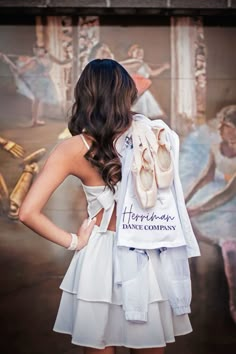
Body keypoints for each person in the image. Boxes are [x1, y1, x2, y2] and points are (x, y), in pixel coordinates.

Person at [19, 59, 198, 353]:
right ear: (126, 94)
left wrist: (75, 241)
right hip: (145, 251)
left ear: (84, 95)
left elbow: (27, 212)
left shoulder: (71, 148)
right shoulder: (153, 137)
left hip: (99, 255)